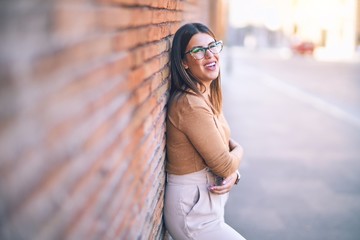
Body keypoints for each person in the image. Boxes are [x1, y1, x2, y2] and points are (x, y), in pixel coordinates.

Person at [164, 22, 246, 240]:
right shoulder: (190, 104)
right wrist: (240, 151)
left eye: (213, 46)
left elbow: (220, 145)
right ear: (184, 62)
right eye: (199, 51)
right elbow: (224, 162)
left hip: (206, 206)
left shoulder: (206, 94)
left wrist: (233, 171)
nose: (210, 55)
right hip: (192, 212)